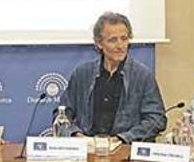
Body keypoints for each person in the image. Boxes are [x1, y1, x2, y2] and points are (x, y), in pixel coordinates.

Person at [59, 12, 166, 144]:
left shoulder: (142, 76)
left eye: (124, 38)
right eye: (113, 40)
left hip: (124, 149)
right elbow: (62, 113)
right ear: (99, 43)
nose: (120, 46)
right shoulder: (82, 73)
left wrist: (122, 138)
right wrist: (75, 134)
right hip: (86, 148)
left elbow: (156, 119)